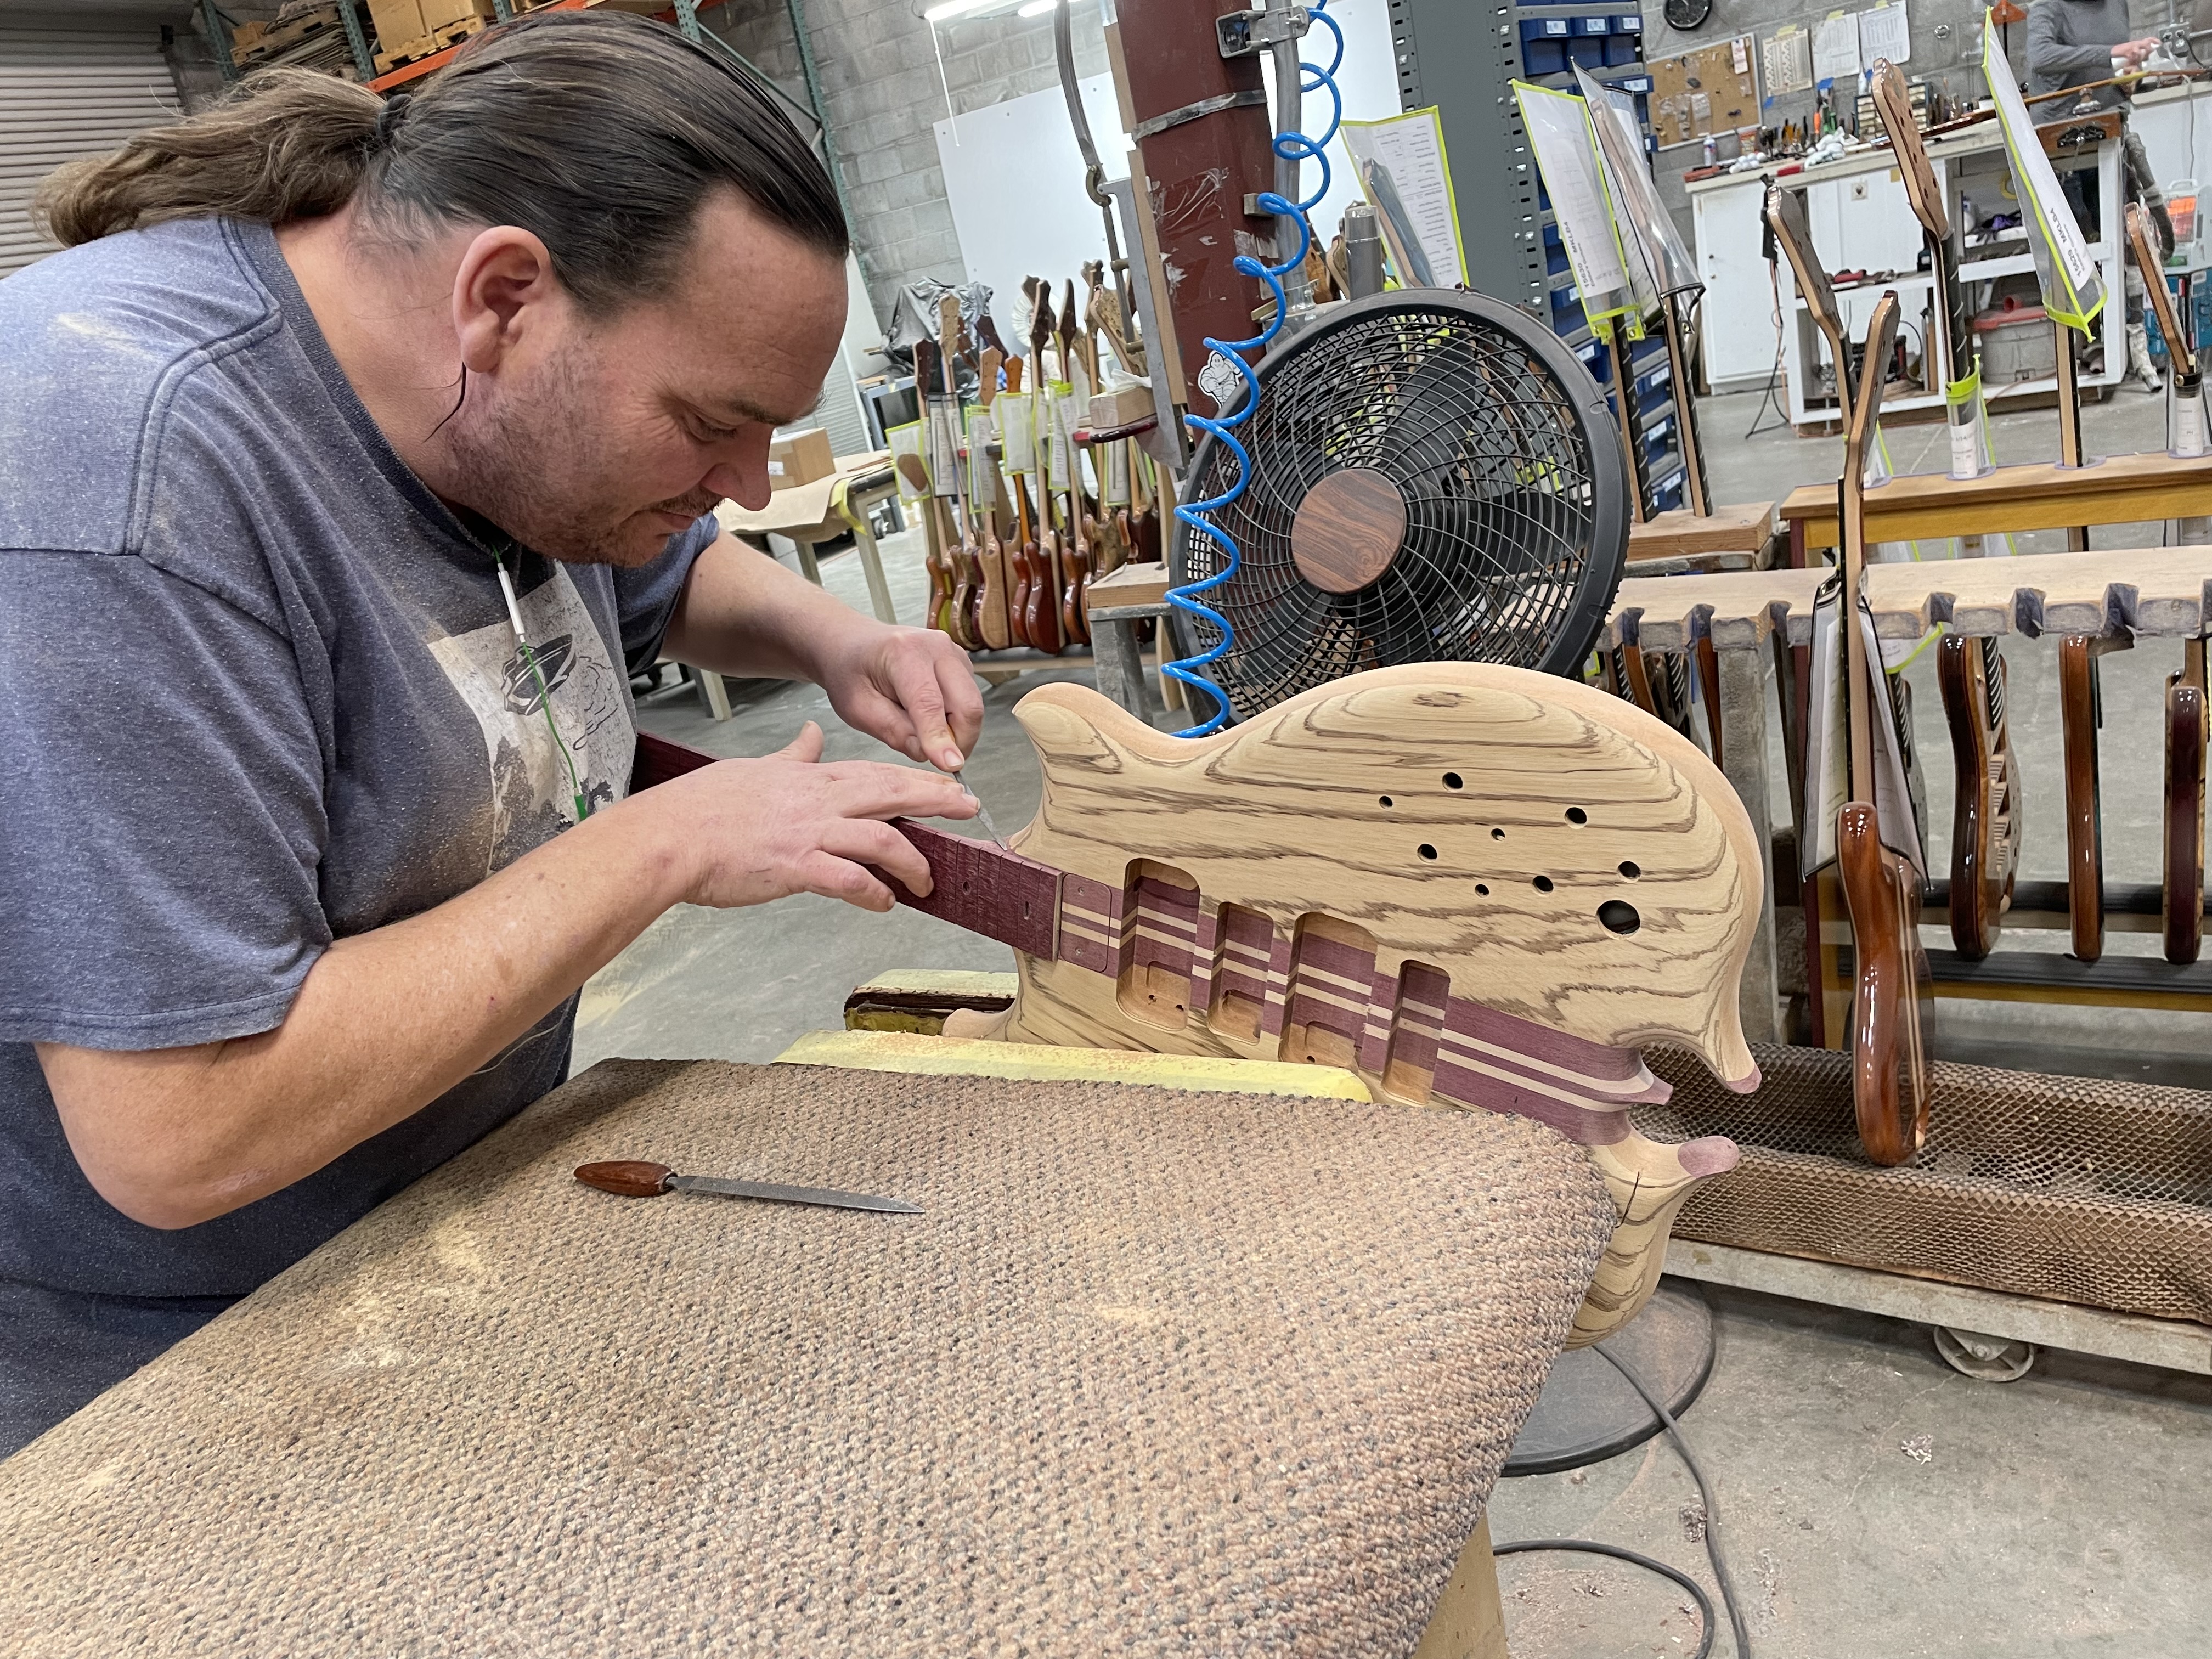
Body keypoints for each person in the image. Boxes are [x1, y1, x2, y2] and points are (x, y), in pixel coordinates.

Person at [0, 9, 983, 1457]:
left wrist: (834, 637)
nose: (742, 483)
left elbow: (637, 555)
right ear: (504, 299)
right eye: (712, 422)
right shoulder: (127, 480)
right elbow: (182, 1129)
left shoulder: (483, 399)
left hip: (450, 1221)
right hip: (173, 1379)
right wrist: (663, 844)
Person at [2027, 0, 2175, 389]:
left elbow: (2118, 73)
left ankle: (2132, 347)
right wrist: (2114, 53)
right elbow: (2041, 57)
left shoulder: (2115, 5)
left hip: (2111, 132)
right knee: (2079, 248)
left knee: (2126, 247)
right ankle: (2089, 347)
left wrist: (2132, 75)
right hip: (2062, 145)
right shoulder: (2048, 6)